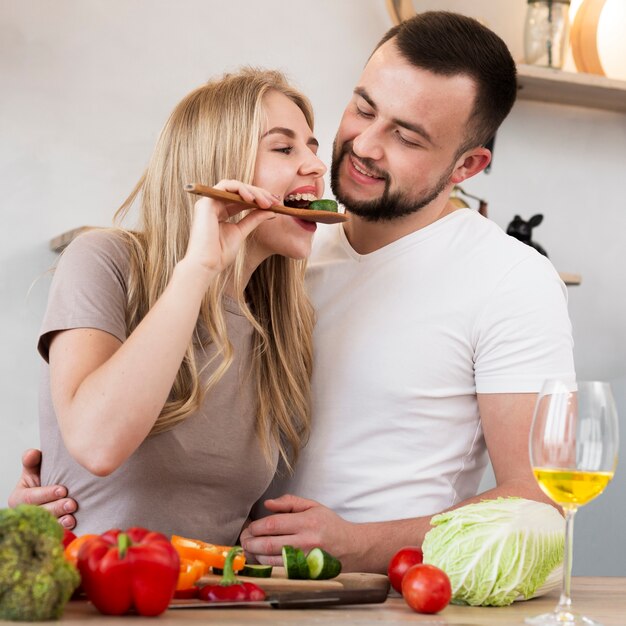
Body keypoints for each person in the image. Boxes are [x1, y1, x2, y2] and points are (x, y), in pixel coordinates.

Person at [10, 12, 574, 572]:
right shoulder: (280, 255)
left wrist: (359, 542)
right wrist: (57, 496)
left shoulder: (511, 279)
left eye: (405, 136)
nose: (364, 146)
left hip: (380, 596)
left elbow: (543, 499)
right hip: (236, 587)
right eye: (363, 108)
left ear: (468, 166)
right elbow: (129, 439)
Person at [7, 67, 327, 544]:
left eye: (313, 147)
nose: (316, 167)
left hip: (216, 610)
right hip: (93, 603)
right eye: (284, 148)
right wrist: (199, 269)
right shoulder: (104, 262)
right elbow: (97, 444)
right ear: (220, 164)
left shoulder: (282, 328)